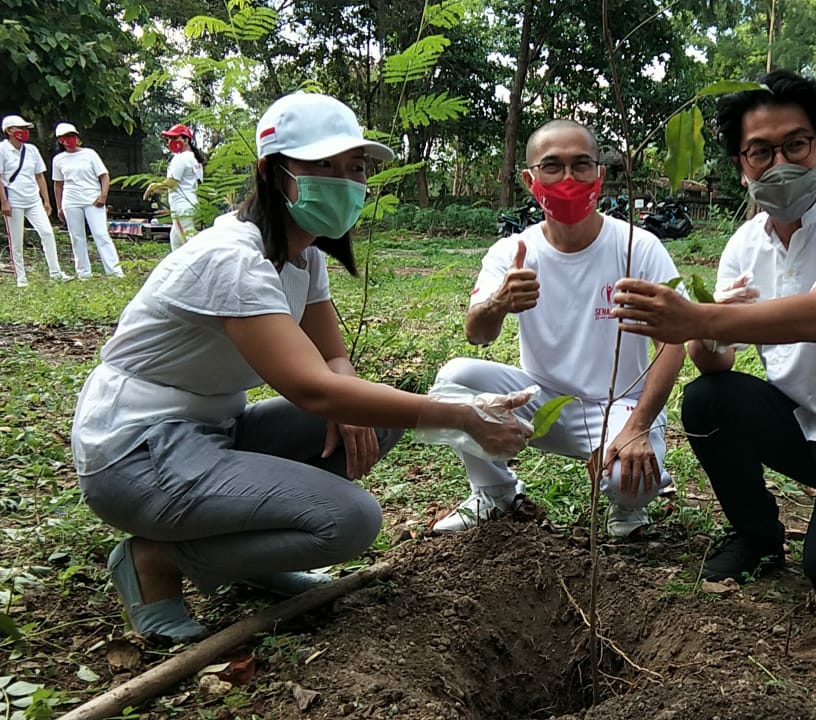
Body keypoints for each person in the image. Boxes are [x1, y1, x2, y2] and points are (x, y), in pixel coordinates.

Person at [71, 93, 531, 645]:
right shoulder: (232, 258)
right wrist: (460, 415)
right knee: (350, 520)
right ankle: (157, 559)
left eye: (354, 168)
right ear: (273, 172)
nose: (343, 181)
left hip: (216, 432)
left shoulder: (304, 255)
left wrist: (347, 397)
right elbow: (312, 387)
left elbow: (333, 358)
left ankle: (246, 557)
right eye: (322, 166)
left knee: (372, 416)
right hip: (136, 452)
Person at [609, 70, 816, 606]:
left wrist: (699, 317)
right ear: (742, 167)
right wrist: (708, 326)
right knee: (708, 400)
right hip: (804, 422)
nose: (780, 163)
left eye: (796, 144)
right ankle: (758, 536)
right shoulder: (746, 243)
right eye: (759, 151)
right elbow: (714, 363)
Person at [430, 119, 684, 539]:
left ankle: (628, 510)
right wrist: (499, 303)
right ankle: (495, 493)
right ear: (531, 179)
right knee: (456, 380)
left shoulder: (638, 246)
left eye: (581, 165)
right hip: (540, 400)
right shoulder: (513, 252)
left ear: (599, 175)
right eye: (552, 167)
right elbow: (477, 333)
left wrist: (638, 424)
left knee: (629, 481)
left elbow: (673, 342)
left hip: (620, 404)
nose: (568, 179)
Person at [0, 115, 71, 287]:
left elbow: (39, 176)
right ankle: (21, 277)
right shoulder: (2, 149)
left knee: (47, 232)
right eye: (20, 128)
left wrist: (46, 200)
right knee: (16, 240)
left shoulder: (31, 150)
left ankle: (55, 272)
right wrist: (4, 202)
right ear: (9, 131)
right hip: (13, 200)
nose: (24, 132)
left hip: (33, 199)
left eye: (25, 128)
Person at [50, 123, 125, 278]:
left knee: (101, 234)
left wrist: (103, 195)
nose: (70, 139)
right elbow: (58, 184)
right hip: (71, 200)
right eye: (66, 137)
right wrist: (59, 207)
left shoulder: (89, 154)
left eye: (72, 135)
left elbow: (104, 175)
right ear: (60, 140)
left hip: (92, 199)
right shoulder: (58, 159)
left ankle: (115, 271)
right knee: (77, 237)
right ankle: (83, 272)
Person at [144, 124, 205, 251]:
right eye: (169, 139)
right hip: (191, 203)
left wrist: (153, 186)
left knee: (189, 245)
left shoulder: (180, 158)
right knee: (176, 241)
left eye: (174, 138)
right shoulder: (194, 159)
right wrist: (161, 188)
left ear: (185, 140)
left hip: (181, 207)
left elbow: (172, 183)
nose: (170, 142)